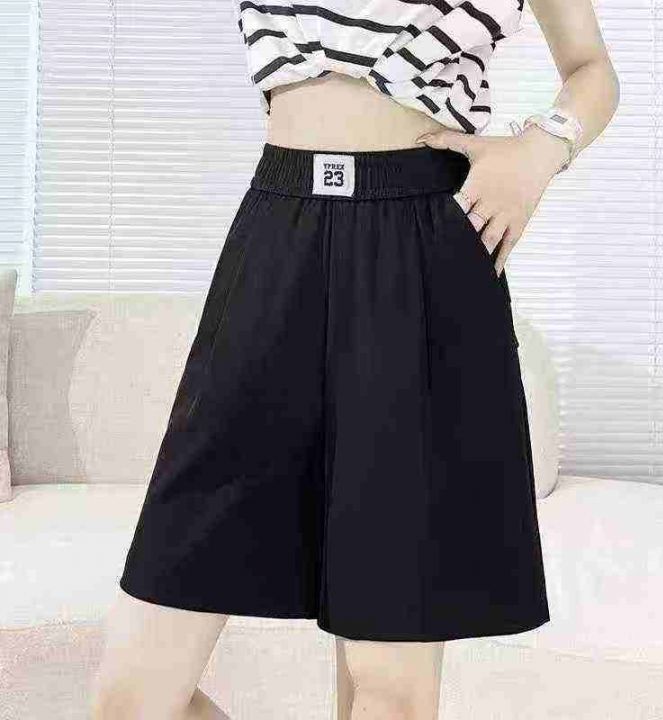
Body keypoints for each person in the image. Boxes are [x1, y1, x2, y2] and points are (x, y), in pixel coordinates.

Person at [89, 0, 619, 717]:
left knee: (388, 692)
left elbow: (590, 68)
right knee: (133, 697)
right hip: (278, 234)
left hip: (426, 239)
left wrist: (540, 148)